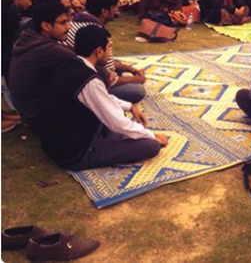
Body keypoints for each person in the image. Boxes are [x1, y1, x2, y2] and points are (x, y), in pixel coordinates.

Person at [33, 25, 167, 171]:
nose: (110, 54)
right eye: (108, 48)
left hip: (56, 142)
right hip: (75, 152)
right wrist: (152, 136)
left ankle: (114, 139)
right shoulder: (90, 80)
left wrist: (130, 106)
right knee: (150, 146)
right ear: (99, 51)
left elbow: (101, 98)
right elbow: (117, 123)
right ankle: (108, 144)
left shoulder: (71, 64)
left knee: (116, 113)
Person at [64, 0, 147, 103]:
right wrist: (136, 79)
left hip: (82, 67)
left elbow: (108, 63)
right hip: (84, 80)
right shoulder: (96, 32)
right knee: (137, 91)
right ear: (104, 11)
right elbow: (108, 77)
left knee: (116, 65)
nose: (117, 10)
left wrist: (130, 69)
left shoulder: (79, 20)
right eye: (115, 7)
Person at [8, 3, 74, 128]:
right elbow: (89, 70)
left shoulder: (30, 39)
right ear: (46, 26)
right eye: (63, 22)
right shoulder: (48, 50)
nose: (69, 26)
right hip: (39, 117)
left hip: (29, 113)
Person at [1, 0, 36, 77]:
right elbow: (9, 43)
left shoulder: (6, 6)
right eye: (30, 0)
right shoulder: (10, 15)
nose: (30, 4)